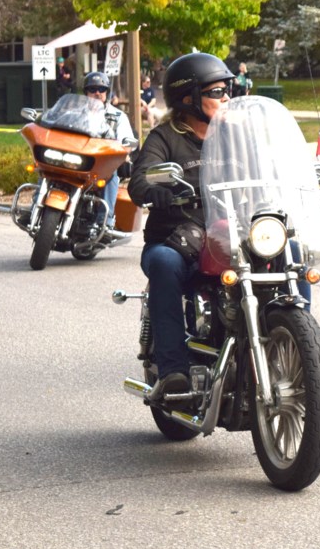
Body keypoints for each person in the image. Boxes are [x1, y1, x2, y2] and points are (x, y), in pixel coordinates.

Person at [128, 52, 236, 403]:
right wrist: (155, 190)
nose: (226, 99)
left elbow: (272, 166)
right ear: (188, 97)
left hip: (234, 236)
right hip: (179, 239)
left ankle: (302, 348)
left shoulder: (236, 135)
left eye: (227, 91)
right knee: (164, 264)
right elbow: (140, 180)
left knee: (290, 253)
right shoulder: (165, 137)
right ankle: (173, 368)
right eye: (217, 92)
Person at [82, 71, 136, 224]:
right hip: (78, 160)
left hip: (101, 164)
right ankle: (37, 206)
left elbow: (127, 141)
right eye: (92, 89)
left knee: (111, 173)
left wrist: (125, 151)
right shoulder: (75, 113)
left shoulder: (118, 116)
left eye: (101, 89)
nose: (97, 93)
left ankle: (106, 221)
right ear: (86, 92)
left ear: (107, 92)